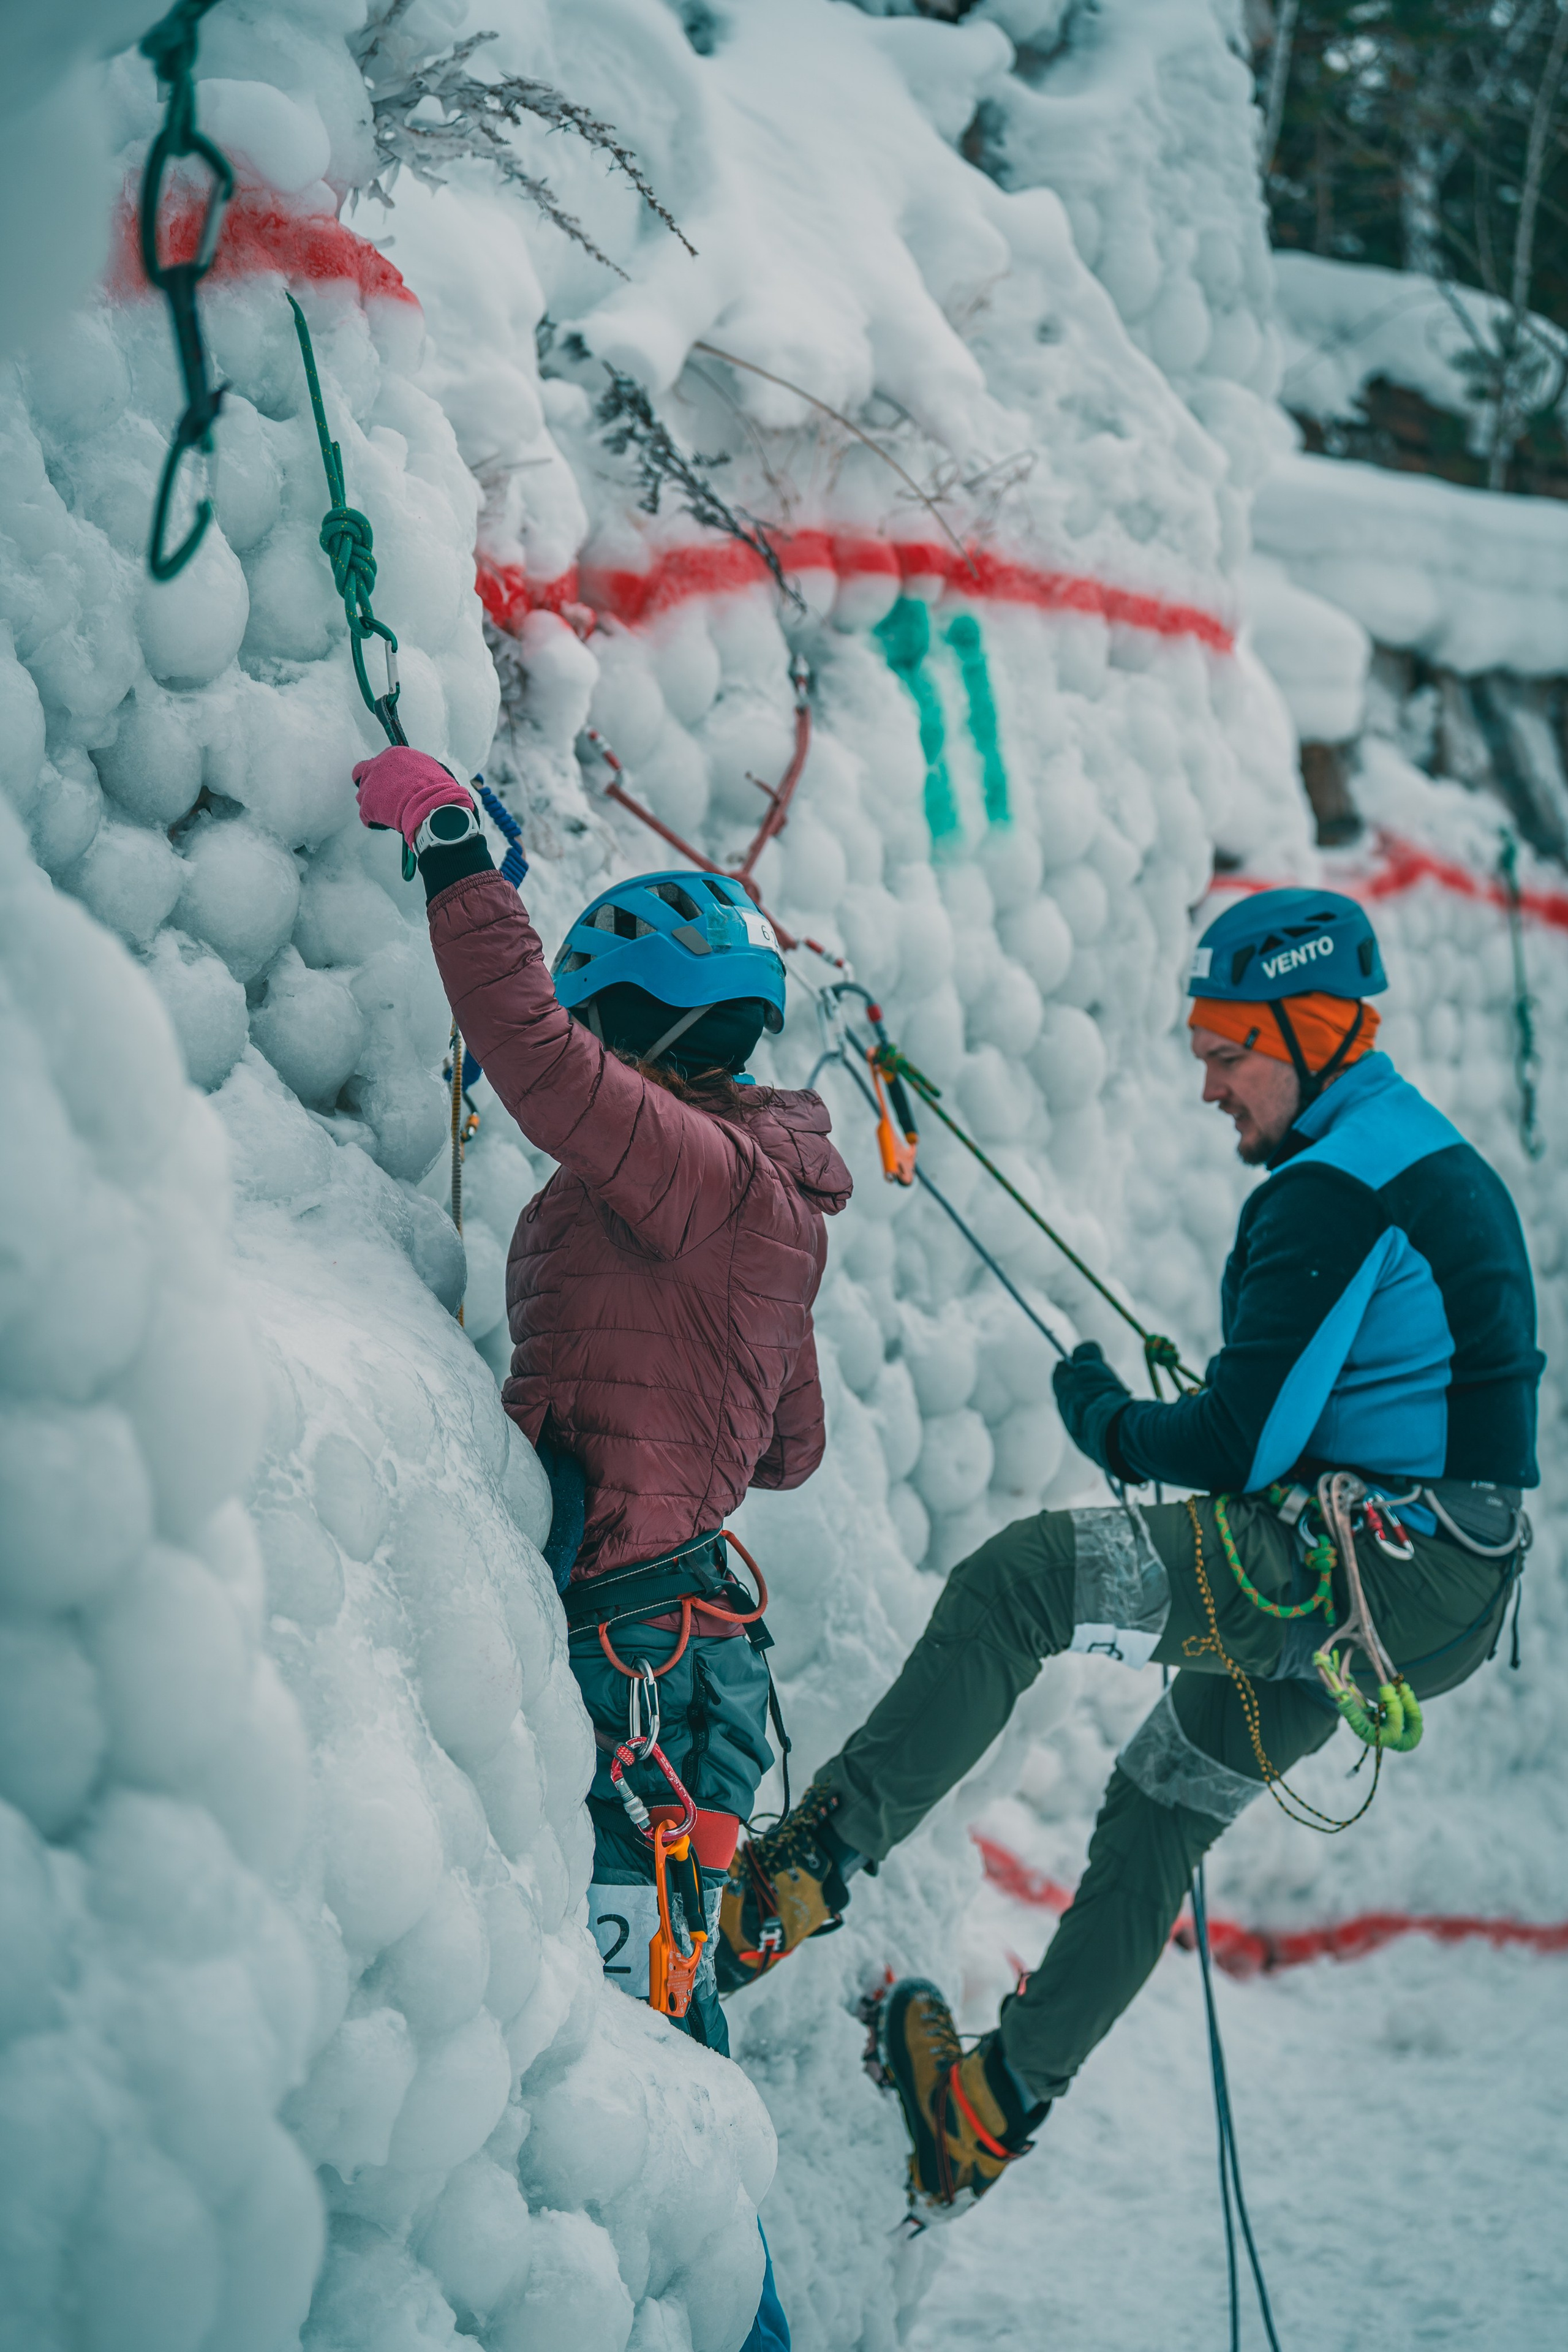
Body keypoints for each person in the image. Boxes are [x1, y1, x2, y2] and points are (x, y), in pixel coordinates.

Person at [715, 887, 1542, 2217]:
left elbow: (1232, 1445)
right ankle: (982, 2115)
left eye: (1228, 1052)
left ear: (1311, 1028)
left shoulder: (1331, 1192)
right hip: (1444, 1584)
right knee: (1162, 1797)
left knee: (1021, 1585)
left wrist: (1100, 1410)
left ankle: (787, 1882)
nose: (1208, 1085)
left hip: (1369, 1568)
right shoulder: (1410, 1151)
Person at [355, 745, 850, 2346]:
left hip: (636, 1663)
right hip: (683, 1658)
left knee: (638, 2066)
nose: (601, 1073)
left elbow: (535, 1059)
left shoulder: (701, 1176)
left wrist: (452, 854)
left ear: (647, 1026)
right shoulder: (767, 1198)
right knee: (656, 2035)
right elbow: (794, 1449)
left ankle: (735, 2328)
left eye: (611, 1027)